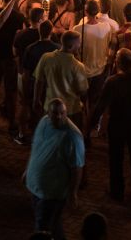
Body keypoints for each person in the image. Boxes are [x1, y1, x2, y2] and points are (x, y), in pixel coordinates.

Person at [89, 47, 131, 202]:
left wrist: (91, 124)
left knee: (116, 157)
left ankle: (117, 190)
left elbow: (101, 105)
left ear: (118, 63)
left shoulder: (112, 81)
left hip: (118, 123)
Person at [25, 98, 85, 240]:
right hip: (36, 188)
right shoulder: (43, 122)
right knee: (53, 225)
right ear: (48, 113)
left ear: (66, 113)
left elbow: (76, 168)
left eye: (62, 113)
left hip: (51, 193)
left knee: (43, 229)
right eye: (55, 113)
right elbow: (36, 148)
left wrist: (72, 193)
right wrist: (28, 169)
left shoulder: (72, 136)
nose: (58, 116)